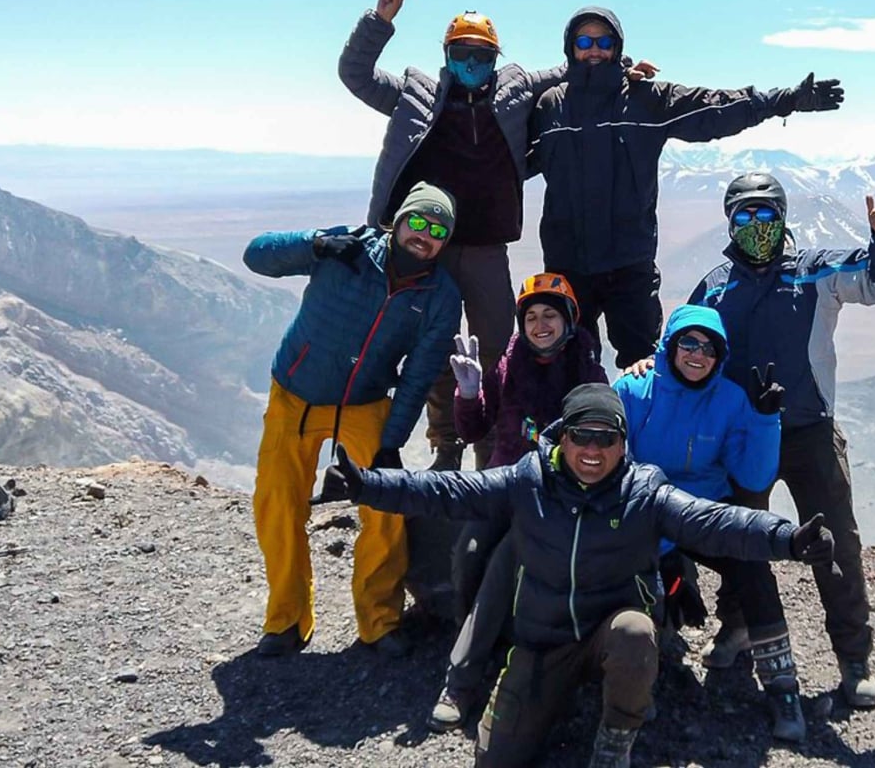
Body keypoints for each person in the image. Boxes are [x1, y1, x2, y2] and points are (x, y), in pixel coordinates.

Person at [314, 383, 837, 768]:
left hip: (609, 636)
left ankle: (616, 737)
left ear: (622, 443)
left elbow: (718, 522)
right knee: (494, 761)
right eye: (581, 436)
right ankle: (532, 698)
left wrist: (788, 539)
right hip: (541, 645)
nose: (592, 450)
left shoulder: (645, 493)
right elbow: (447, 492)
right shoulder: (528, 481)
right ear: (560, 438)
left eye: (606, 438)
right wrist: (366, 486)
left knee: (635, 635)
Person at [338, 0, 653, 469]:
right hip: (428, 248)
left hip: (486, 247)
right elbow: (355, 74)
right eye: (461, 53)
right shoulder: (414, 95)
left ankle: (492, 448)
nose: (472, 63)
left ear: (495, 57)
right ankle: (446, 446)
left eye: (482, 55)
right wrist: (380, 21)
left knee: (496, 352)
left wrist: (622, 68)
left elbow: (569, 71)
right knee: (434, 349)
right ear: (446, 54)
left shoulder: (515, 90)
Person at [688, 172, 875, 709]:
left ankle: (853, 659)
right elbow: (685, 343)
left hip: (810, 430)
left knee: (838, 545)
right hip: (744, 437)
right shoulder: (715, 286)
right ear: (730, 221)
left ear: (783, 218)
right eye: (745, 216)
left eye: (766, 215)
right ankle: (737, 629)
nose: (756, 226)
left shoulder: (816, 273)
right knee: (738, 539)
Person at [527, 6, 844, 368]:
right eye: (585, 41)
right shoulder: (551, 107)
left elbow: (713, 109)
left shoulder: (646, 99)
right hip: (569, 265)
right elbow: (507, 157)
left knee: (645, 368)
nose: (594, 49)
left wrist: (781, 100)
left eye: (604, 41)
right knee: (569, 365)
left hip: (629, 266)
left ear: (618, 47)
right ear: (570, 48)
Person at [242, 182, 461, 657]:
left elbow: (418, 375)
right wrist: (314, 244)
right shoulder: (349, 249)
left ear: (445, 242)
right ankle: (285, 621)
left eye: (437, 230)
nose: (425, 235)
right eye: (418, 221)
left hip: (365, 403)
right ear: (399, 220)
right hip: (295, 394)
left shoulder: (441, 295)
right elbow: (255, 256)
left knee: (386, 510)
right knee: (278, 506)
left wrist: (391, 440)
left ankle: (379, 622)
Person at [612, 304, 808, 740]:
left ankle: (783, 688)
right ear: (670, 346)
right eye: (689, 343)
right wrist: (662, 550)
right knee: (646, 586)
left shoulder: (732, 400)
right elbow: (614, 463)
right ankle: (637, 686)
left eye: (709, 348)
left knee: (753, 568)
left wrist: (763, 421)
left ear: (721, 356)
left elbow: (753, 477)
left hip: (705, 510)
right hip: (648, 509)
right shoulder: (633, 388)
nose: (698, 355)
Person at [427, 273, 607, 731]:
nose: (540, 324)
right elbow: (474, 429)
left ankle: (463, 678)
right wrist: (468, 393)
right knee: (468, 555)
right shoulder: (510, 362)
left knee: (504, 568)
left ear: (568, 321)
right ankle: (472, 643)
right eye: (531, 316)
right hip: (505, 485)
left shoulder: (586, 367)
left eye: (550, 315)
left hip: (559, 497)